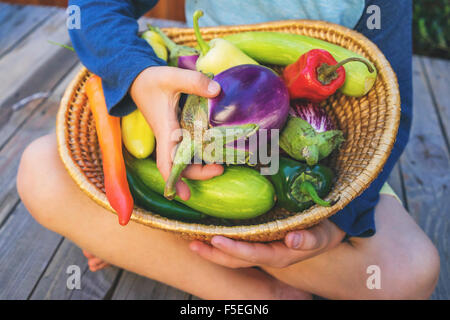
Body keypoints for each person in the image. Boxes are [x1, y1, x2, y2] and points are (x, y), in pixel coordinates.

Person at [17, 0, 440, 299]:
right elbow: (93, 6)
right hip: (193, 136)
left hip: (324, 166)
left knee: (412, 274)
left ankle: (154, 243)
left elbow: (392, 100)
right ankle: (257, 294)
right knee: (38, 170)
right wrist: (140, 75)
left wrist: (336, 227)